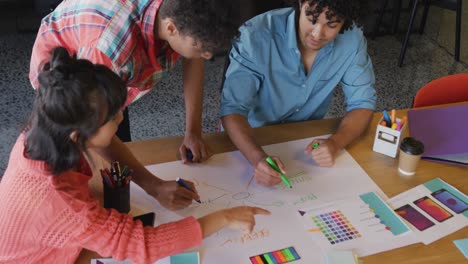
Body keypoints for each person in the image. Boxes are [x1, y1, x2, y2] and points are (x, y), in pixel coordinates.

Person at [0, 48, 270, 263]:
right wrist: (223, 217)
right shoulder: (63, 205)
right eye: (112, 116)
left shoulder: (40, 134)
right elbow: (143, 246)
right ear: (78, 135)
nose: (121, 118)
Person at [29, 0, 240, 210]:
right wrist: (154, 186)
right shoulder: (111, 52)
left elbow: (193, 55)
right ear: (171, 29)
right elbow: (97, 129)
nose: (208, 55)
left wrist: (193, 131)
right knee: (94, 155)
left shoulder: (182, 15)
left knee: (117, 143)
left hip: (108, 64)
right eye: (201, 48)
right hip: (67, 73)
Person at [220, 0, 377, 186]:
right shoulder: (255, 34)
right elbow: (233, 109)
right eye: (311, 18)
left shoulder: (352, 39)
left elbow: (363, 103)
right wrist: (257, 158)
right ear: (301, 3)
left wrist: (336, 143)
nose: (317, 34)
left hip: (304, 140)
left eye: (332, 24)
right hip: (250, 137)